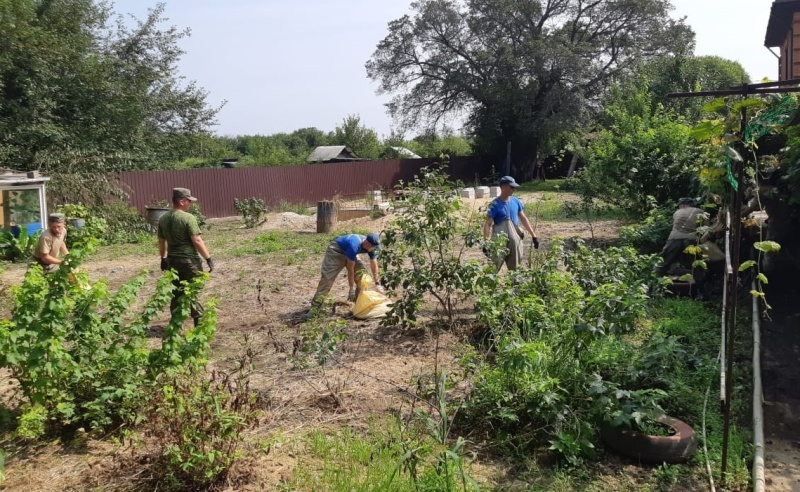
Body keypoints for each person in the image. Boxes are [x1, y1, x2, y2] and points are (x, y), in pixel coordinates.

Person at [157, 187, 214, 326]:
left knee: (177, 291)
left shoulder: (163, 218)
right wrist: (208, 258)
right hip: (189, 261)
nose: (190, 204)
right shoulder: (188, 218)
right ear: (182, 201)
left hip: (172, 261)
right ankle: (199, 323)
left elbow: (161, 241)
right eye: (189, 201)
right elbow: (197, 240)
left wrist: (163, 258)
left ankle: (175, 324)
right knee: (192, 291)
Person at [483, 175, 539, 271]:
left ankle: (515, 285)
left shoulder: (516, 201)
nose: (514, 190)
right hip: (499, 241)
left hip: (515, 239)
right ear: (503, 187)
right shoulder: (494, 204)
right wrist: (486, 242)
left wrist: (534, 236)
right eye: (512, 187)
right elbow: (488, 224)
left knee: (516, 269)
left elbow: (523, 218)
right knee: (493, 267)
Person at [311, 233, 380, 307]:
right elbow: (350, 269)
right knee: (327, 280)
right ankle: (315, 308)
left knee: (363, 277)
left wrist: (377, 282)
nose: (374, 249)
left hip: (351, 253)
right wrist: (351, 289)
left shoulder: (371, 245)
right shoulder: (354, 245)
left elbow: (374, 262)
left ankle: (359, 306)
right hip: (336, 251)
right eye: (373, 247)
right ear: (367, 243)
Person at [656, 197, 704, 277]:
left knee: (663, 264)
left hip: (674, 239)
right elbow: (705, 228)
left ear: (682, 205)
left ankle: (655, 282)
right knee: (697, 266)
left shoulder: (676, 212)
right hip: (691, 239)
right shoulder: (700, 211)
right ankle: (696, 281)